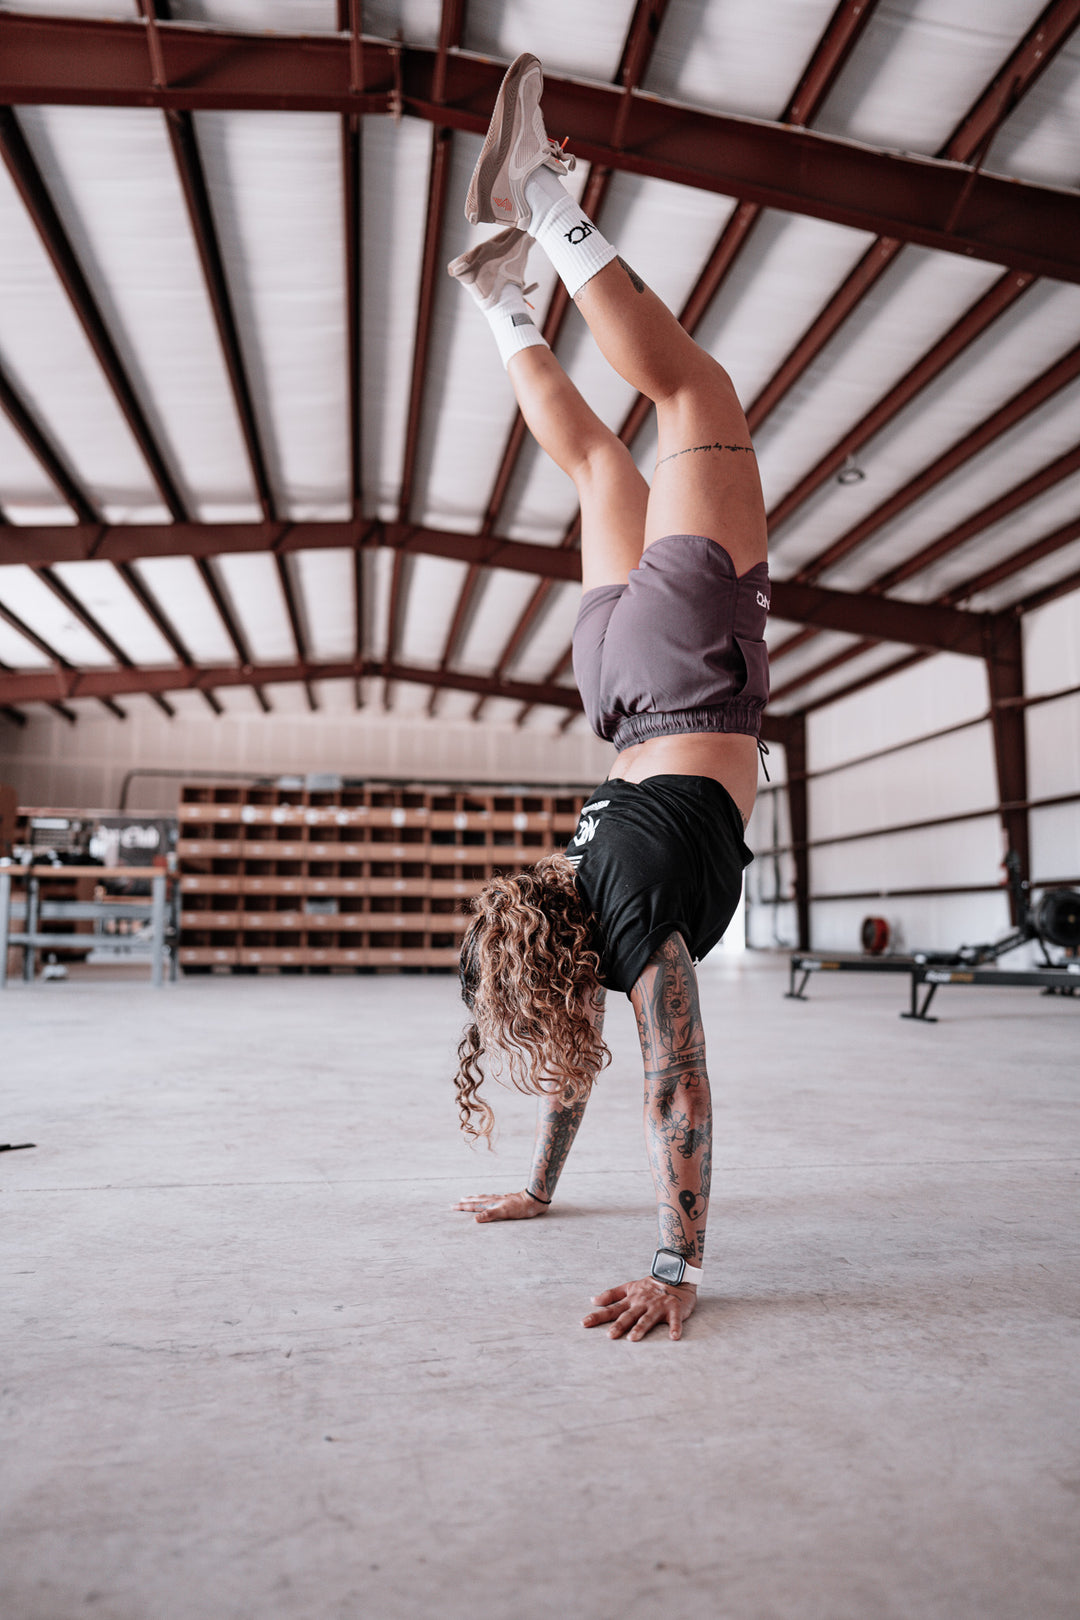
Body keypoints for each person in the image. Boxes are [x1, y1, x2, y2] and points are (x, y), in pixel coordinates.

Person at [448, 55, 770, 1343]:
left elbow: (676, 1088)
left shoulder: (634, 933)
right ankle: (502, 304)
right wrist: (538, 1187)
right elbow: (590, 1064)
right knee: (596, 465)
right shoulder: (580, 892)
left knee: (695, 395)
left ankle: (542, 198)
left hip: (689, 676)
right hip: (617, 697)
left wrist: (675, 1267)